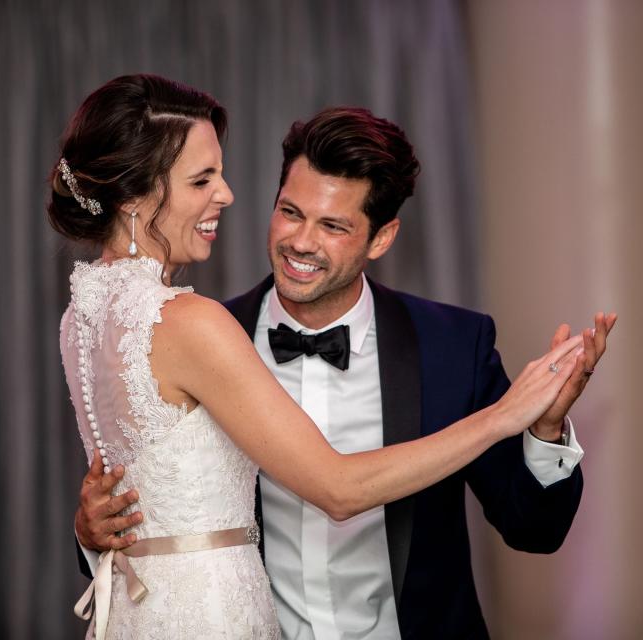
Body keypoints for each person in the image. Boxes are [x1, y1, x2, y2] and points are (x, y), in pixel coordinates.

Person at [56, 75, 611, 640]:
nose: (301, 241)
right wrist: (89, 528)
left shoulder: (452, 346)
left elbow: (534, 530)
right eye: (290, 212)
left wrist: (540, 429)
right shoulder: (201, 331)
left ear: (382, 237)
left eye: (334, 226)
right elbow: (172, 496)